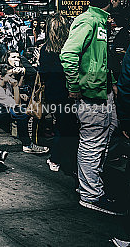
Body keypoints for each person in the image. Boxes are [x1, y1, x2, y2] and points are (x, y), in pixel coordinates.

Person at [61, 0, 123, 215]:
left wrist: (112, 83)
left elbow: (99, 58)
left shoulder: (99, 21)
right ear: (112, 0)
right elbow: (68, 54)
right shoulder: (88, 21)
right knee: (93, 142)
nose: (120, 3)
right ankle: (91, 194)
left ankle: (90, 184)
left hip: (101, 91)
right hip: (90, 94)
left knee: (106, 133)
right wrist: (74, 86)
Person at [39, 13, 77, 175]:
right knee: (67, 127)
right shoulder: (70, 48)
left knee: (63, 125)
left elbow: (43, 74)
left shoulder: (45, 50)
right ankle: (57, 158)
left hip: (54, 93)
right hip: (69, 92)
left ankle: (58, 158)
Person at [0, 63, 47, 154]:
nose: (12, 77)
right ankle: (27, 144)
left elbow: (14, 101)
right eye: (10, 75)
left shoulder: (6, 84)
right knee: (21, 115)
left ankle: (27, 142)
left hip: (3, 109)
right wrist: (16, 87)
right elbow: (16, 104)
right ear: (1, 76)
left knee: (22, 113)